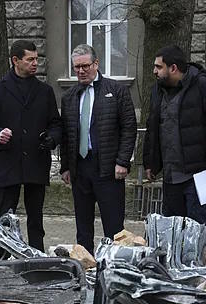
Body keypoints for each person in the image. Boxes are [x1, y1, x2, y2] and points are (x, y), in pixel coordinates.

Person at [0, 40, 61, 252]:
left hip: (36, 160)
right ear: (15, 60)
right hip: (8, 161)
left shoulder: (45, 91)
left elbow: (56, 124)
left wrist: (51, 139)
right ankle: (3, 255)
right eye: (30, 59)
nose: (35, 63)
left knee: (36, 218)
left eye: (36, 59)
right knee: (6, 216)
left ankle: (37, 256)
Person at [143, 45, 206, 233]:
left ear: (173, 68)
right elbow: (153, 127)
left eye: (158, 67)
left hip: (201, 175)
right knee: (173, 231)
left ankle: (204, 263)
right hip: (171, 175)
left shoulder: (204, 86)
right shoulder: (157, 90)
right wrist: (150, 162)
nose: (154, 71)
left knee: (200, 230)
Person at [60, 44, 137, 254]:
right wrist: (65, 166)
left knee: (113, 227)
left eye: (85, 66)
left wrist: (123, 161)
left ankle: (114, 268)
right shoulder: (69, 97)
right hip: (80, 169)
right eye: (76, 67)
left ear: (96, 64)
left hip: (108, 168)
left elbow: (129, 128)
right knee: (83, 227)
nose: (81, 71)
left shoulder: (117, 91)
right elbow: (66, 133)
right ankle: (86, 267)